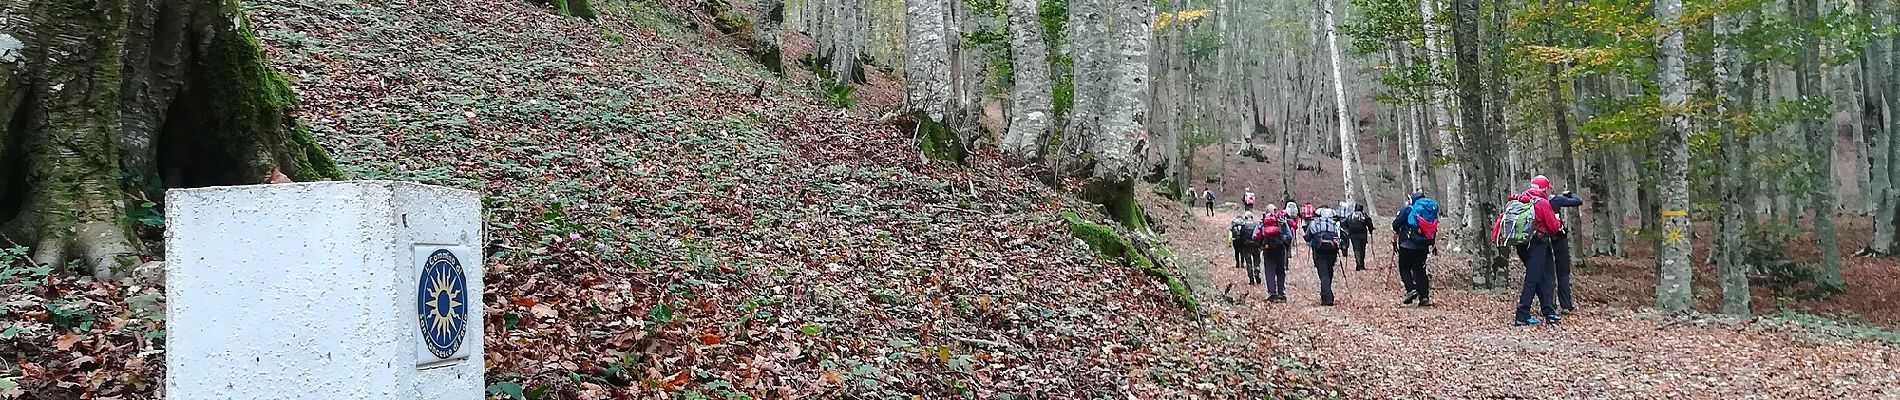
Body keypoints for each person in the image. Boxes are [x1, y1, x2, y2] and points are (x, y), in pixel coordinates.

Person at [1496, 178, 1564, 326]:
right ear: (1544, 189)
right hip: (1538, 244)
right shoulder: (1542, 203)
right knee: (1533, 279)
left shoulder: (1522, 199)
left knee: (1541, 277)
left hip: (1523, 245)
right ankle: (1522, 314)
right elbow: (1553, 226)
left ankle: (1549, 311)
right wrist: (1558, 220)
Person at [1536, 176, 1584, 313]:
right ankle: (1566, 305)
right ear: (1546, 189)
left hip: (1543, 240)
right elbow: (1577, 201)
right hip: (1558, 239)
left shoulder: (1533, 201)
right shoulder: (1554, 200)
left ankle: (1549, 305)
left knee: (1547, 273)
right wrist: (1569, 194)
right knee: (1563, 272)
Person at [1393, 190, 1439, 307]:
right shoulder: (1429, 212)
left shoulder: (1408, 209)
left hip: (1407, 245)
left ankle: (1411, 289)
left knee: (1404, 268)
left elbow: (1396, 224)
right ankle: (1424, 297)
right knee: (1420, 271)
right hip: (1423, 246)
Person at [1305, 207, 1346, 306]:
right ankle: (1326, 293)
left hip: (1319, 252)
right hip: (1332, 252)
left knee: (1323, 274)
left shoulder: (1314, 223)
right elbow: (1340, 236)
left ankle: (1327, 297)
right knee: (1329, 271)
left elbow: (1307, 237)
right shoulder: (1334, 223)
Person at [1257, 208, 1292, 302]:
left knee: (1269, 270)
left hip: (1268, 249)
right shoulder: (1281, 221)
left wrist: (1261, 244)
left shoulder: (1262, 222)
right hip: (1280, 249)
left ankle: (1272, 294)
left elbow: (1255, 235)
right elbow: (1289, 236)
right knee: (1281, 270)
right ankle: (1281, 293)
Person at [1342, 203, 1374, 271]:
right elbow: (1369, 222)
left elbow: (1344, 223)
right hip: (1362, 234)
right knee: (1362, 249)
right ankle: (1361, 264)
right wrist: (1371, 230)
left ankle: (1358, 263)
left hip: (1353, 235)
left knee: (1356, 249)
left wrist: (1347, 231)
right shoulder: (1364, 215)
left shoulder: (1351, 215)